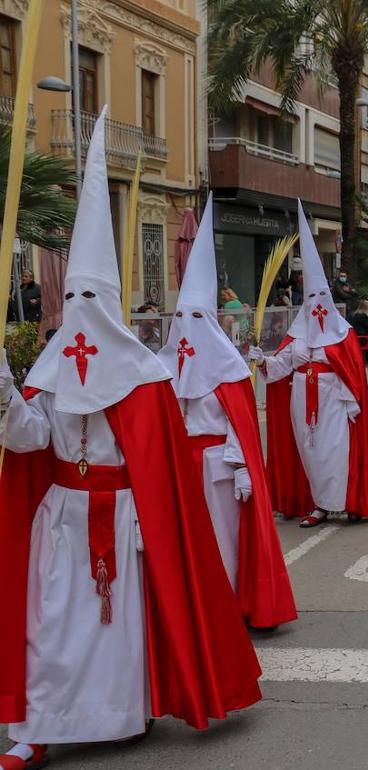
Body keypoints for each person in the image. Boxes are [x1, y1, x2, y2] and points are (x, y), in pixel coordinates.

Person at [0, 111, 262, 770]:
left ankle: (122, 714)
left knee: (119, 630)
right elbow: (29, 440)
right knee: (50, 621)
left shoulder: (146, 378)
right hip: (60, 518)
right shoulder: (51, 368)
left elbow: (159, 467)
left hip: (122, 521)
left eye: (95, 295)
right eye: (75, 294)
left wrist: (151, 521)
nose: (83, 309)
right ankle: (34, 727)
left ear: (111, 301)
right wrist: (5, 390)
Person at [155, 193, 297, 630]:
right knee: (189, 544)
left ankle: (234, 604)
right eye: (181, 317)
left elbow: (241, 421)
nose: (187, 329)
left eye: (196, 317)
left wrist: (241, 467)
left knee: (225, 541)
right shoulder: (161, 366)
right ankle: (197, 609)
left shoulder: (229, 368)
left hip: (219, 469)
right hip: (182, 468)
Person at [251, 201, 368, 528]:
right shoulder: (296, 337)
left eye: (320, 301)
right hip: (301, 400)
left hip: (334, 402)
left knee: (334, 451)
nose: (316, 309)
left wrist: (350, 400)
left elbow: (351, 373)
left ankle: (343, 501)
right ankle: (319, 505)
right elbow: (281, 367)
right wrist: (263, 362)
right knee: (308, 452)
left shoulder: (344, 334)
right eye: (309, 301)